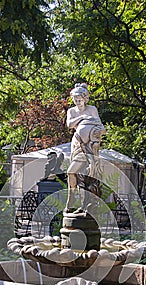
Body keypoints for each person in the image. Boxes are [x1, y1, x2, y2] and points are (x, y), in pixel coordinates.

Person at [64, 83, 105, 214]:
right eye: (75, 100)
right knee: (74, 173)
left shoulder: (92, 109)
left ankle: (82, 204)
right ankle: (73, 199)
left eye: (80, 100)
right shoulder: (72, 111)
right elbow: (69, 124)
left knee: (84, 174)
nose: (78, 102)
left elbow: (101, 126)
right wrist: (82, 117)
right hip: (77, 144)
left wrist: (96, 134)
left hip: (90, 146)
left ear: (85, 98)